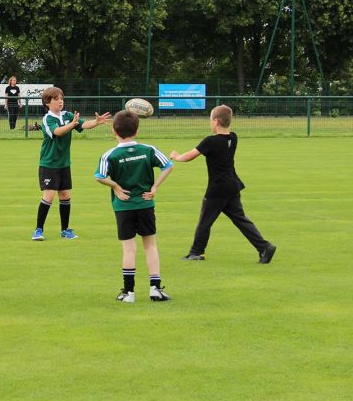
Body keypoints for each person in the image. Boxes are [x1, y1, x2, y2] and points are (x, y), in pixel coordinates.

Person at [169, 104, 276, 264]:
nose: (210, 123)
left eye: (211, 120)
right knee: (240, 219)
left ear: (216, 122)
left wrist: (176, 156)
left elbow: (189, 156)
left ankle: (196, 252)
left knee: (205, 221)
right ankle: (264, 247)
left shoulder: (210, 141)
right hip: (232, 185)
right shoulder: (233, 137)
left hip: (218, 188)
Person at [95, 110, 175, 303]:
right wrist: (154, 187)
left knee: (129, 248)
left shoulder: (110, 155)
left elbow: (99, 176)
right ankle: (155, 289)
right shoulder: (148, 150)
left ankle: (128, 293)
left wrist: (115, 186)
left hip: (123, 207)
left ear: (114, 131)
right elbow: (168, 166)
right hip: (146, 204)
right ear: (137, 130)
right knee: (150, 245)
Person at [32, 86, 110, 240]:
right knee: (48, 196)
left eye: (61, 98)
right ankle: (38, 230)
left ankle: (65, 230)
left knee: (65, 195)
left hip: (64, 164)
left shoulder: (67, 115)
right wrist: (72, 125)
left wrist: (96, 122)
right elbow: (57, 132)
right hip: (49, 164)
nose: (60, 102)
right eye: (56, 99)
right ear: (47, 102)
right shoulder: (47, 119)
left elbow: (82, 124)